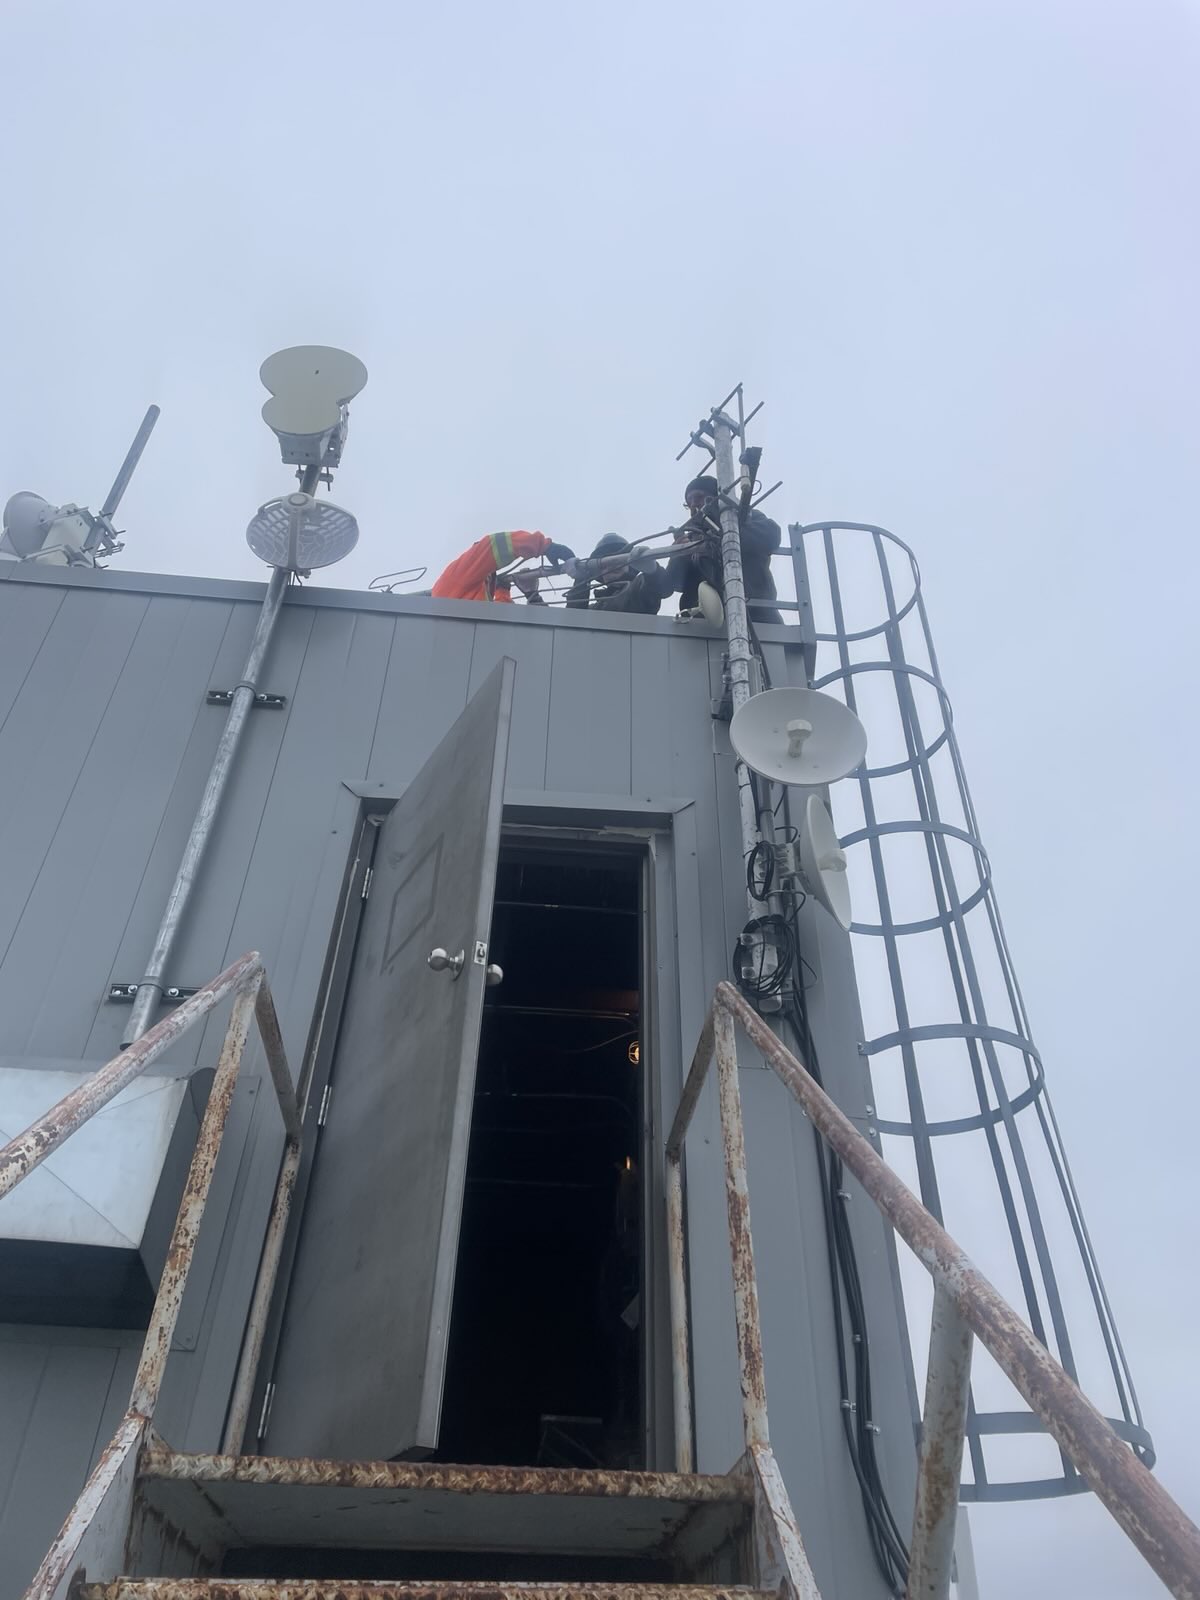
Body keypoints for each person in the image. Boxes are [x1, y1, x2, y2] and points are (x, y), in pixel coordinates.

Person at [666, 476, 784, 625]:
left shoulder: (746, 518)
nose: (693, 504)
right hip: (704, 623)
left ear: (715, 498)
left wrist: (723, 532)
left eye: (699, 497)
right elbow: (672, 584)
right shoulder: (691, 540)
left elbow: (772, 536)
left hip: (757, 615)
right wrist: (679, 556)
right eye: (689, 502)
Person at [431, 529, 574, 604]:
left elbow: (494, 622)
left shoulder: (467, 593)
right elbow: (493, 546)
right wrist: (545, 546)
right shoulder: (457, 576)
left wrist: (502, 592)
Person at [564, 533, 675, 615]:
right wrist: (581, 581)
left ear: (629, 565)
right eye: (604, 563)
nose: (611, 565)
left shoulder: (639, 590)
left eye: (617, 561)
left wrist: (653, 572)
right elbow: (573, 620)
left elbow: (664, 589)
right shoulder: (595, 608)